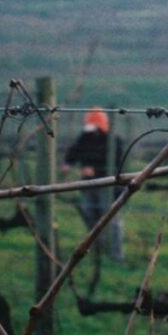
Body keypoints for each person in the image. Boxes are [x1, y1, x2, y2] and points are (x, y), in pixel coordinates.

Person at [62, 107, 125, 259]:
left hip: (108, 185)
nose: (92, 131)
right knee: (90, 215)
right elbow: (74, 151)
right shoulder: (85, 137)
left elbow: (116, 163)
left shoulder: (113, 140)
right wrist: (68, 163)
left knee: (110, 219)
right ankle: (98, 250)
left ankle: (116, 253)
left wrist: (95, 171)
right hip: (88, 185)